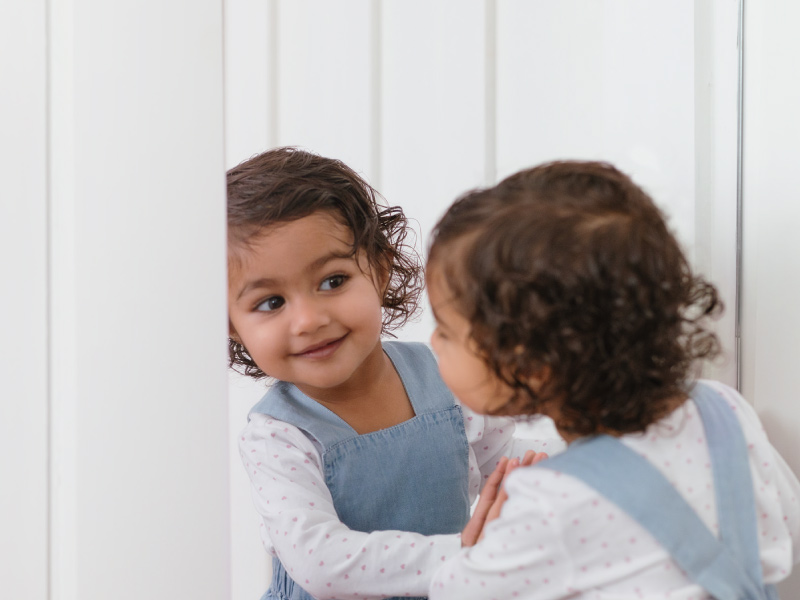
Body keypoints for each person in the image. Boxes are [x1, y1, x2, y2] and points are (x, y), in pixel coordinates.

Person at [425, 160, 800, 599]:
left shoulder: (549, 501)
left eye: (446, 331)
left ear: (531, 366)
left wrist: (474, 548)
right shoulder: (724, 409)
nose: (431, 342)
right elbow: (784, 528)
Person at [227, 147, 562, 600]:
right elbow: (320, 561)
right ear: (232, 325)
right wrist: (463, 552)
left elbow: (500, 459)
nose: (307, 320)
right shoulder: (276, 436)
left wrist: (587, 453)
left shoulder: (442, 376)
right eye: (271, 303)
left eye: (333, 281)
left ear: (380, 270)